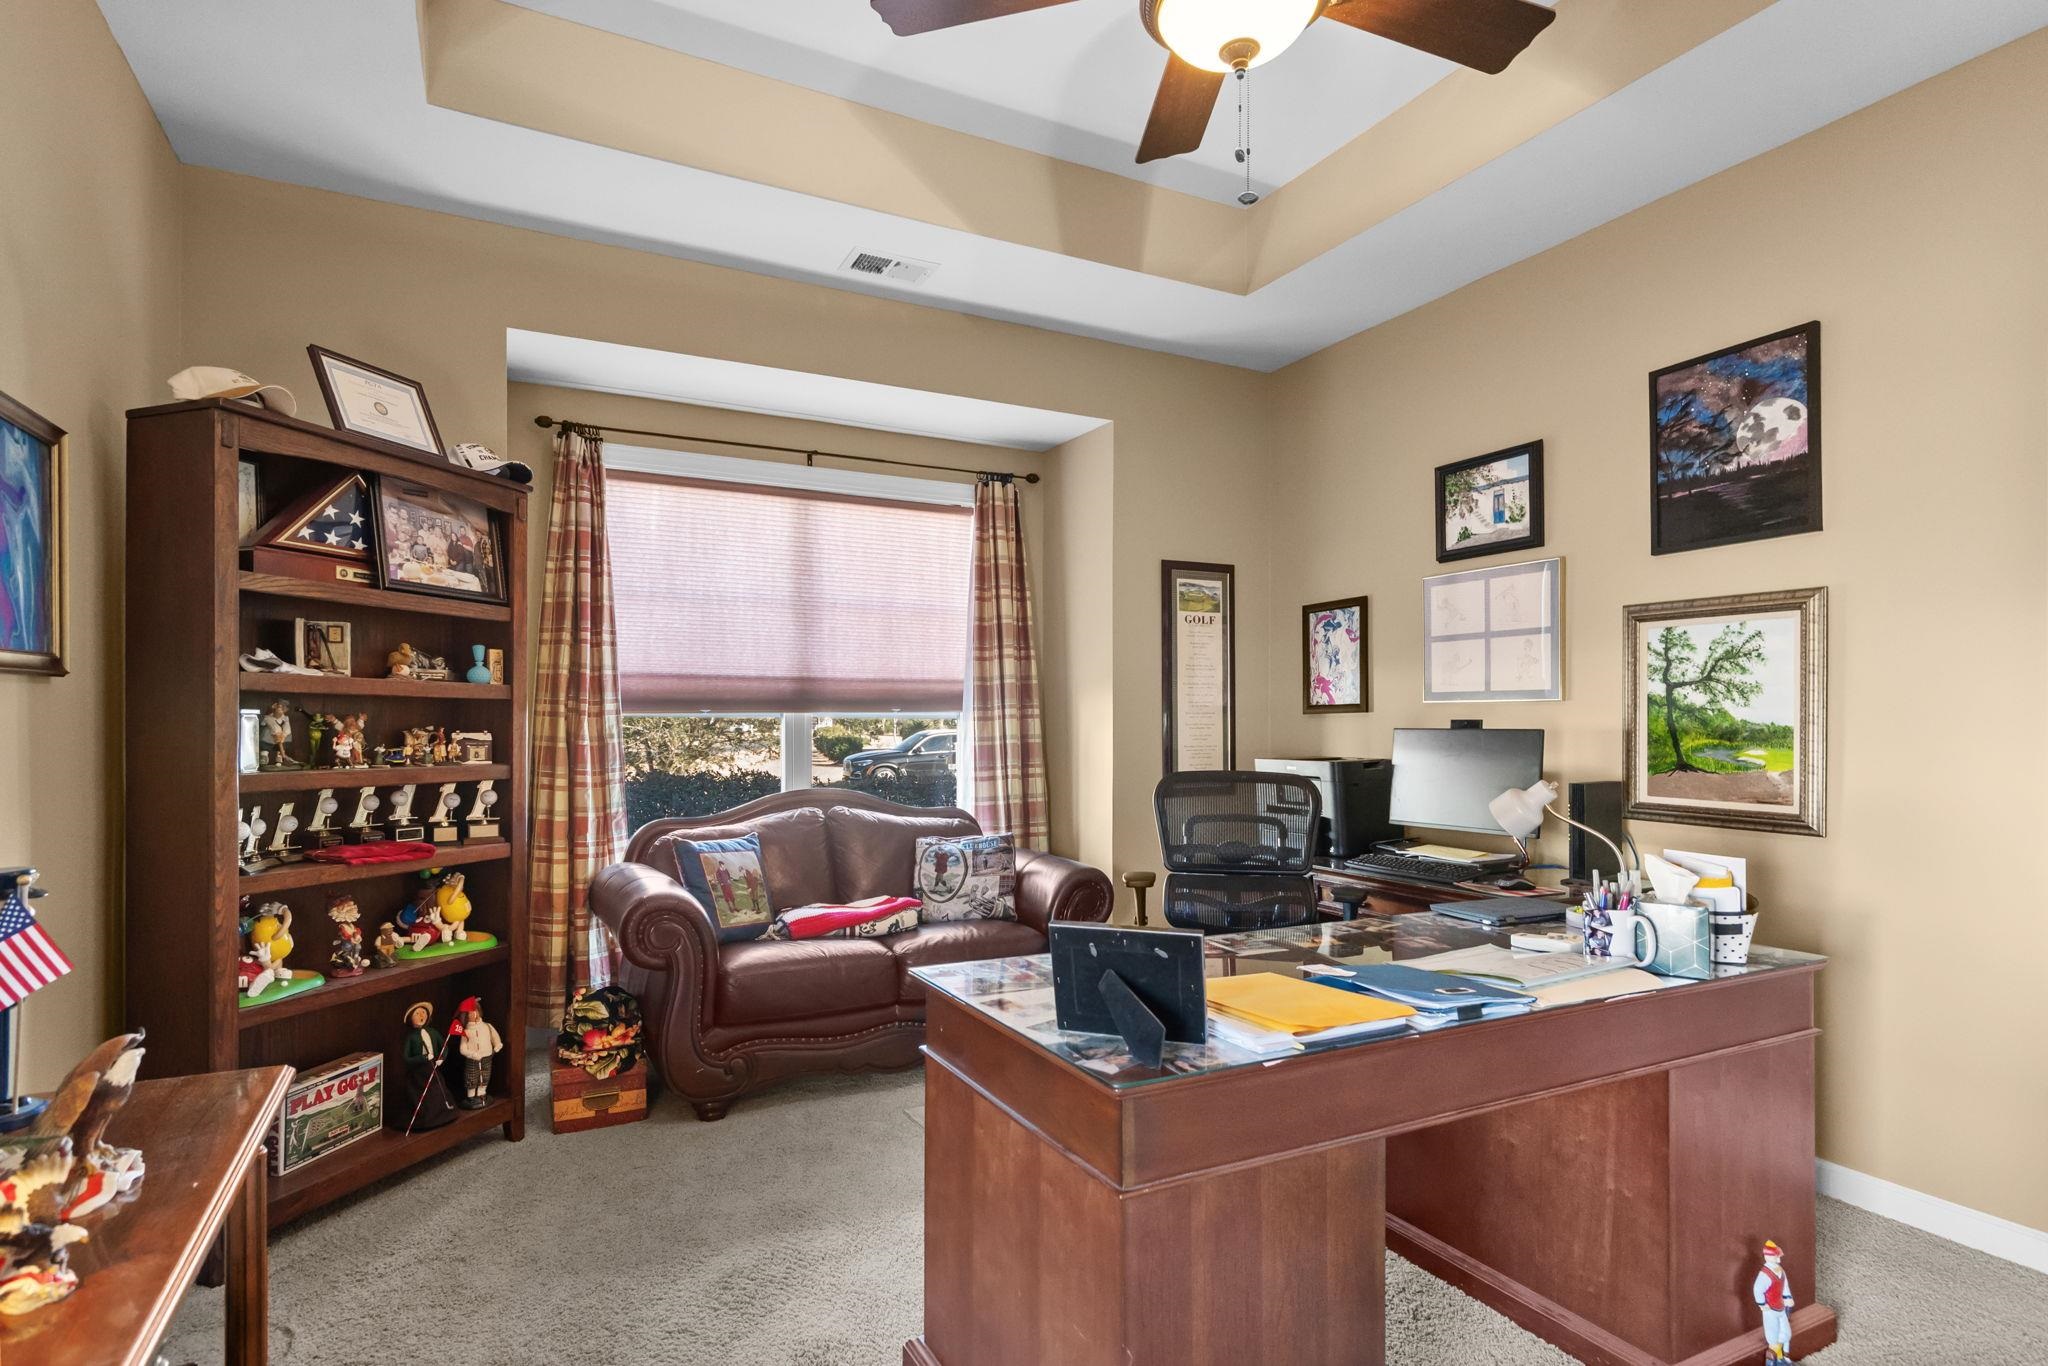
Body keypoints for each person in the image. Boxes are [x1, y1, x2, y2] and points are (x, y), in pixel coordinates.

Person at [397, 1001, 458, 1132]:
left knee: (438, 1089)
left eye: (423, 1013)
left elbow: (444, 1047)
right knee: (421, 1094)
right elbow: (406, 1058)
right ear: (410, 1019)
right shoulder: (411, 1037)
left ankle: (443, 1113)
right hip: (419, 1073)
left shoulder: (433, 1032)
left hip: (433, 1067)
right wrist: (423, 1058)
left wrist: (441, 1058)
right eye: (417, 1013)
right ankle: (425, 1118)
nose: (421, 1016)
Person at [454, 996, 502, 1109]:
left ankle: (481, 1093)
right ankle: (471, 1096)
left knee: (485, 1075)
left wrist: (497, 1046)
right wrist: (473, 1054)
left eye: (475, 1011)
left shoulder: (487, 1026)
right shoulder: (466, 1032)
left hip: (487, 1056)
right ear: (465, 1016)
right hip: (473, 1059)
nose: (474, 1014)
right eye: (470, 1013)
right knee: (471, 1076)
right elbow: (462, 1049)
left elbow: (495, 1038)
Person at [1752, 1240, 1796, 1362]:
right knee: (1773, 1336)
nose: (1778, 1257)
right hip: (1770, 1309)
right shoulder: (1765, 1274)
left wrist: (1788, 1297)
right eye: (1775, 1255)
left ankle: (1783, 1357)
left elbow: (1785, 1285)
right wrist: (1763, 1304)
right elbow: (1757, 1289)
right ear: (1768, 1257)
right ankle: (1775, 1359)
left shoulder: (1780, 1271)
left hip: (1781, 1307)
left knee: (1786, 1333)